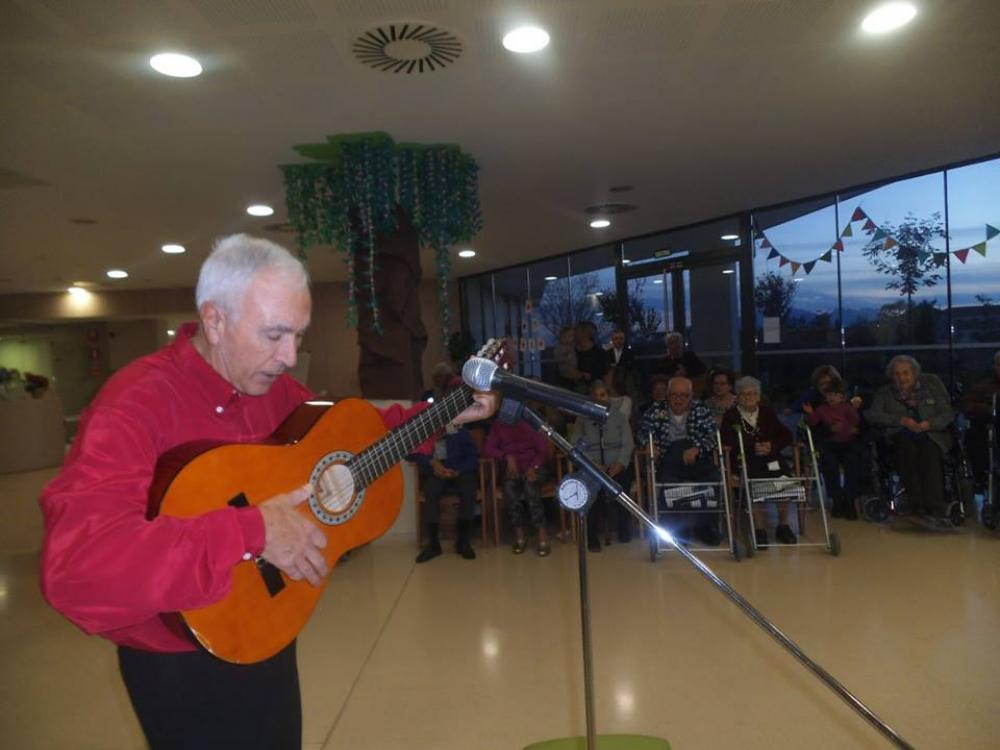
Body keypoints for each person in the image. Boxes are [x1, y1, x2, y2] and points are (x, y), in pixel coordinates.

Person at [37, 235, 497, 749]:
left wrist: (444, 415)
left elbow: (354, 439)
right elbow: (76, 570)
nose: (289, 357)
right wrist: (253, 530)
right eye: (275, 335)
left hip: (269, 628)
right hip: (179, 663)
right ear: (215, 320)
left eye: (298, 336)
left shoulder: (275, 390)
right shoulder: (133, 405)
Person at [865, 355, 954, 517]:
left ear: (915, 373)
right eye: (897, 374)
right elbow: (872, 415)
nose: (901, 378)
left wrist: (930, 424)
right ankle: (916, 503)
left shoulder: (932, 386)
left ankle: (934, 504)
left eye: (905, 373)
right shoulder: (885, 392)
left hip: (930, 434)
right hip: (900, 436)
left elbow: (947, 413)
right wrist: (901, 420)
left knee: (929, 451)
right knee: (907, 449)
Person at [637, 376, 720, 546]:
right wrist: (648, 445)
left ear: (691, 396)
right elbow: (642, 433)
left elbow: (713, 435)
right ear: (667, 395)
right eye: (674, 395)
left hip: (696, 457)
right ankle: (678, 528)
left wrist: (697, 448)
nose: (679, 399)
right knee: (670, 477)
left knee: (714, 478)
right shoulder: (656, 409)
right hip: (668, 458)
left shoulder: (701, 409)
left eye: (684, 395)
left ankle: (705, 527)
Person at [413, 363, 483, 563]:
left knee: (468, 490)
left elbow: (472, 455)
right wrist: (432, 463)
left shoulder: (458, 427)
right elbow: (416, 453)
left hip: (459, 469)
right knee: (431, 491)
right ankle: (433, 544)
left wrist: (459, 470)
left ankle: (463, 541)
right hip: (437, 469)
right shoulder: (426, 430)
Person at [721, 376, 797, 548]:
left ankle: (783, 526)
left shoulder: (767, 413)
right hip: (745, 459)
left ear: (759, 396)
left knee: (784, 478)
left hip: (770, 458)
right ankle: (759, 529)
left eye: (753, 393)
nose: (749, 397)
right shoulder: (731, 416)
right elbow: (727, 440)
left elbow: (786, 435)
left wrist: (772, 445)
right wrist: (752, 446)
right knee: (755, 480)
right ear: (738, 397)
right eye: (745, 394)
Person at [571, 380, 635, 550]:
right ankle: (592, 535)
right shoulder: (582, 418)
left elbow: (628, 443)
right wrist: (592, 464)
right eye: (595, 395)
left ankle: (624, 529)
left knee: (622, 484)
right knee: (592, 490)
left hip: (616, 464)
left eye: (603, 395)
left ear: (608, 397)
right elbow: (575, 444)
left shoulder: (619, 417)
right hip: (592, 466)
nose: (599, 399)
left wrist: (620, 463)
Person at [483, 409, 553, 556]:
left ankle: (542, 535)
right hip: (513, 469)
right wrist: (506, 456)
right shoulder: (498, 425)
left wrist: (534, 466)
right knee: (509, 488)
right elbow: (488, 448)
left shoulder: (530, 422)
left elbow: (543, 451)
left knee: (530, 487)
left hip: (535, 467)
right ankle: (520, 535)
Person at [804, 379, 862, 519]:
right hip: (830, 443)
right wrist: (810, 413)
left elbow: (856, 421)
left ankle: (849, 500)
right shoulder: (822, 409)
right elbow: (812, 423)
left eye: (835, 394)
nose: (831, 397)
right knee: (829, 462)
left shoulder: (847, 408)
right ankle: (836, 499)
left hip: (848, 442)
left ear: (842, 397)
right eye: (829, 394)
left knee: (853, 461)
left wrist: (852, 419)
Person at [957, 350, 1000, 487]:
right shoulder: (984, 386)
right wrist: (988, 408)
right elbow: (965, 404)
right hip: (990, 427)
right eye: (999, 365)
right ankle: (982, 479)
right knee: (976, 434)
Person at [574, 321, 609, 392]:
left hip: (594, 392)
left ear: (585, 334)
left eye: (577, 331)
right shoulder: (571, 352)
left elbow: (605, 375)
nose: (574, 334)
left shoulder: (600, 353)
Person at [553, 325, 580, 389]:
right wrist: (566, 356)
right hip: (564, 373)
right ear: (561, 336)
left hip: (575, 372)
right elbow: (558, 359)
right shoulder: (559, 348)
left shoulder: (574, 347)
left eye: (571, 336)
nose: (568, 338)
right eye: (565, 336)